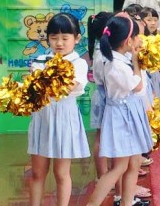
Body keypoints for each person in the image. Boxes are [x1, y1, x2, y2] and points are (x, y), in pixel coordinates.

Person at [86, 14, 153, 206]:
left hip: (126, 115)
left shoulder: (117, 59)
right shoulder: (117, 65)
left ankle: (127, 202)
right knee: (118, 167)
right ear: (128, 41)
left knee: (133, 163)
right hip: (123, 117)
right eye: (137, 36)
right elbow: (139, 89)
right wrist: (137, 61)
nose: (140, 40)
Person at [28, 13, 90, 206]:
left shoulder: (78, 63)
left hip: (65, 119)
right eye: (54, 38)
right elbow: (34, 87)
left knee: (61, 173)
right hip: (42, 118)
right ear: (48, 39)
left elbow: (69, 87)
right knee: (38, 172)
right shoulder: (39, 60)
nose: (59, 43)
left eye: (65, 38)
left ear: (77, 38)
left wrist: (44, 81)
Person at [87, 12, 114, 180]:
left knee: (101, 137)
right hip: (108, 98)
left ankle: (103, 176)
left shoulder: (98, 50)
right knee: (104, 139)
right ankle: (104, 177)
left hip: (101, 96)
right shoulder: (105, 54)